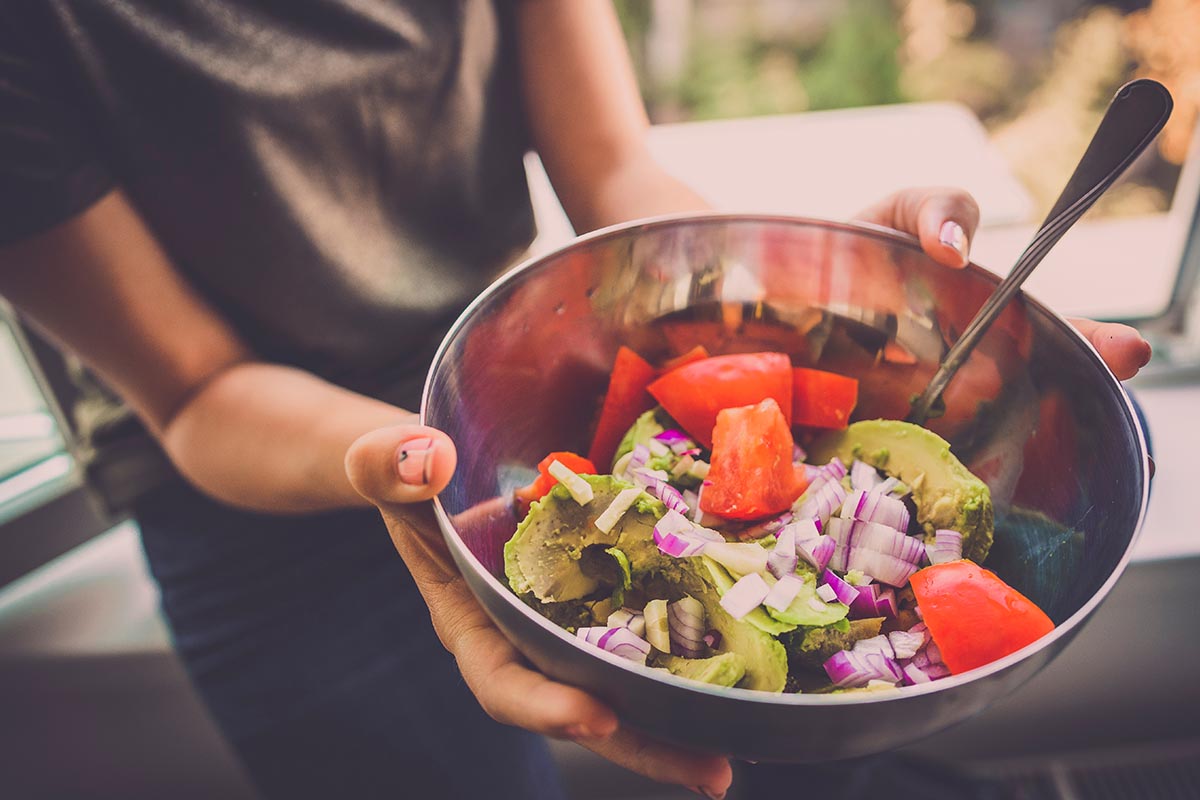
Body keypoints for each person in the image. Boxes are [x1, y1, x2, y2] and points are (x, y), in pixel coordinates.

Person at [0, 2, 1152, 798]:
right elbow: (196, 391)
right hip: (254, 502)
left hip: (515, 386)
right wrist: (407, 457)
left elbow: (617, 180)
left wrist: (814, 298)